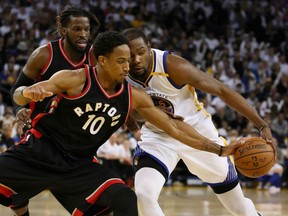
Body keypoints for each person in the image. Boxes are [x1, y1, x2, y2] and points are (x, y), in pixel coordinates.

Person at [4, 31, 243, 216]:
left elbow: (174, 128)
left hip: (79, 165)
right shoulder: (75, 79)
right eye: (120, 61)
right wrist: (29, 92)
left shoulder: (134, 96)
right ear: (102, 61)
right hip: (37, 153)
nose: (127, 66)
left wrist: (218, 149)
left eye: (128, 60)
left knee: (127, 202)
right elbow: (22, 94)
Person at [121, 28, 274, 216]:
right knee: (144, 195)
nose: (136, 60)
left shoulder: (172, 66)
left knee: (239, 208)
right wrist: (136, 122)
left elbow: (222, 91)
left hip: (198, 132)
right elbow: (128, 105)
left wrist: (261, 124)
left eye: (141, 52)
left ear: (149, 48)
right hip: (159, 137)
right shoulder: (120, 71)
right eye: (130, 55)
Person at [10, 5, 100, 134]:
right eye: (77, 29)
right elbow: (17, 87)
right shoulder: (43, 54)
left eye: (87, 29)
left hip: (74, 132)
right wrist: (20, 108)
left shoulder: (95, 57)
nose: (83, 34)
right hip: (39, 129)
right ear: (64, 31)